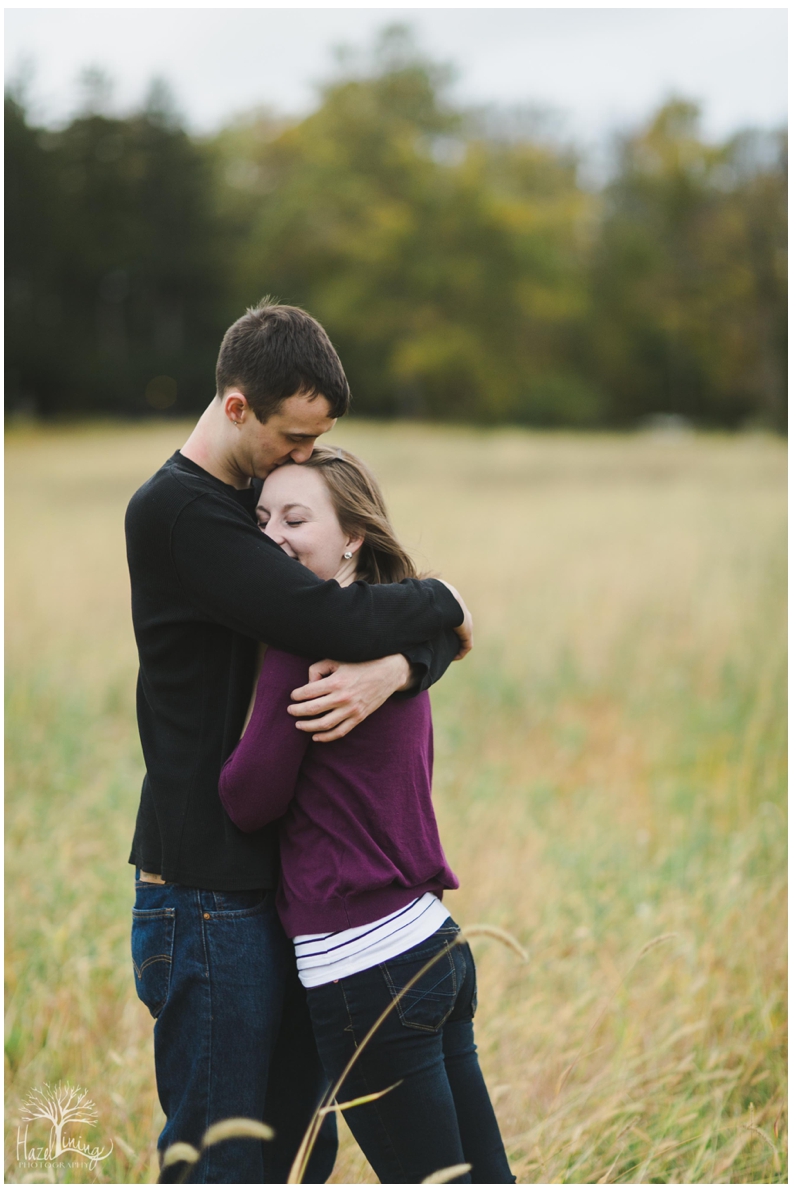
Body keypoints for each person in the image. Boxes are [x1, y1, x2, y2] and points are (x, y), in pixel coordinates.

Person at [125, 301, 474, 1183]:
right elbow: (320, 615)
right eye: (291, 438)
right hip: (207, 893)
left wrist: (397, 668)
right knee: (223, 1161)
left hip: (279, 891)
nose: (303, 460)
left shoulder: (259, 499)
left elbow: (348, 613)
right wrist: (447, 603)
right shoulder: (179, 514)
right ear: (238, 408)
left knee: (294, 1156)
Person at [219, 446, 514, 1185]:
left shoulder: (305, 640)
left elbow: (251, 799)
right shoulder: (401, 632)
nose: (274, 536)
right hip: (432, 945)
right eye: (261, 521)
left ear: (351, 535)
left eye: (296, 518)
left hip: (364, 965)